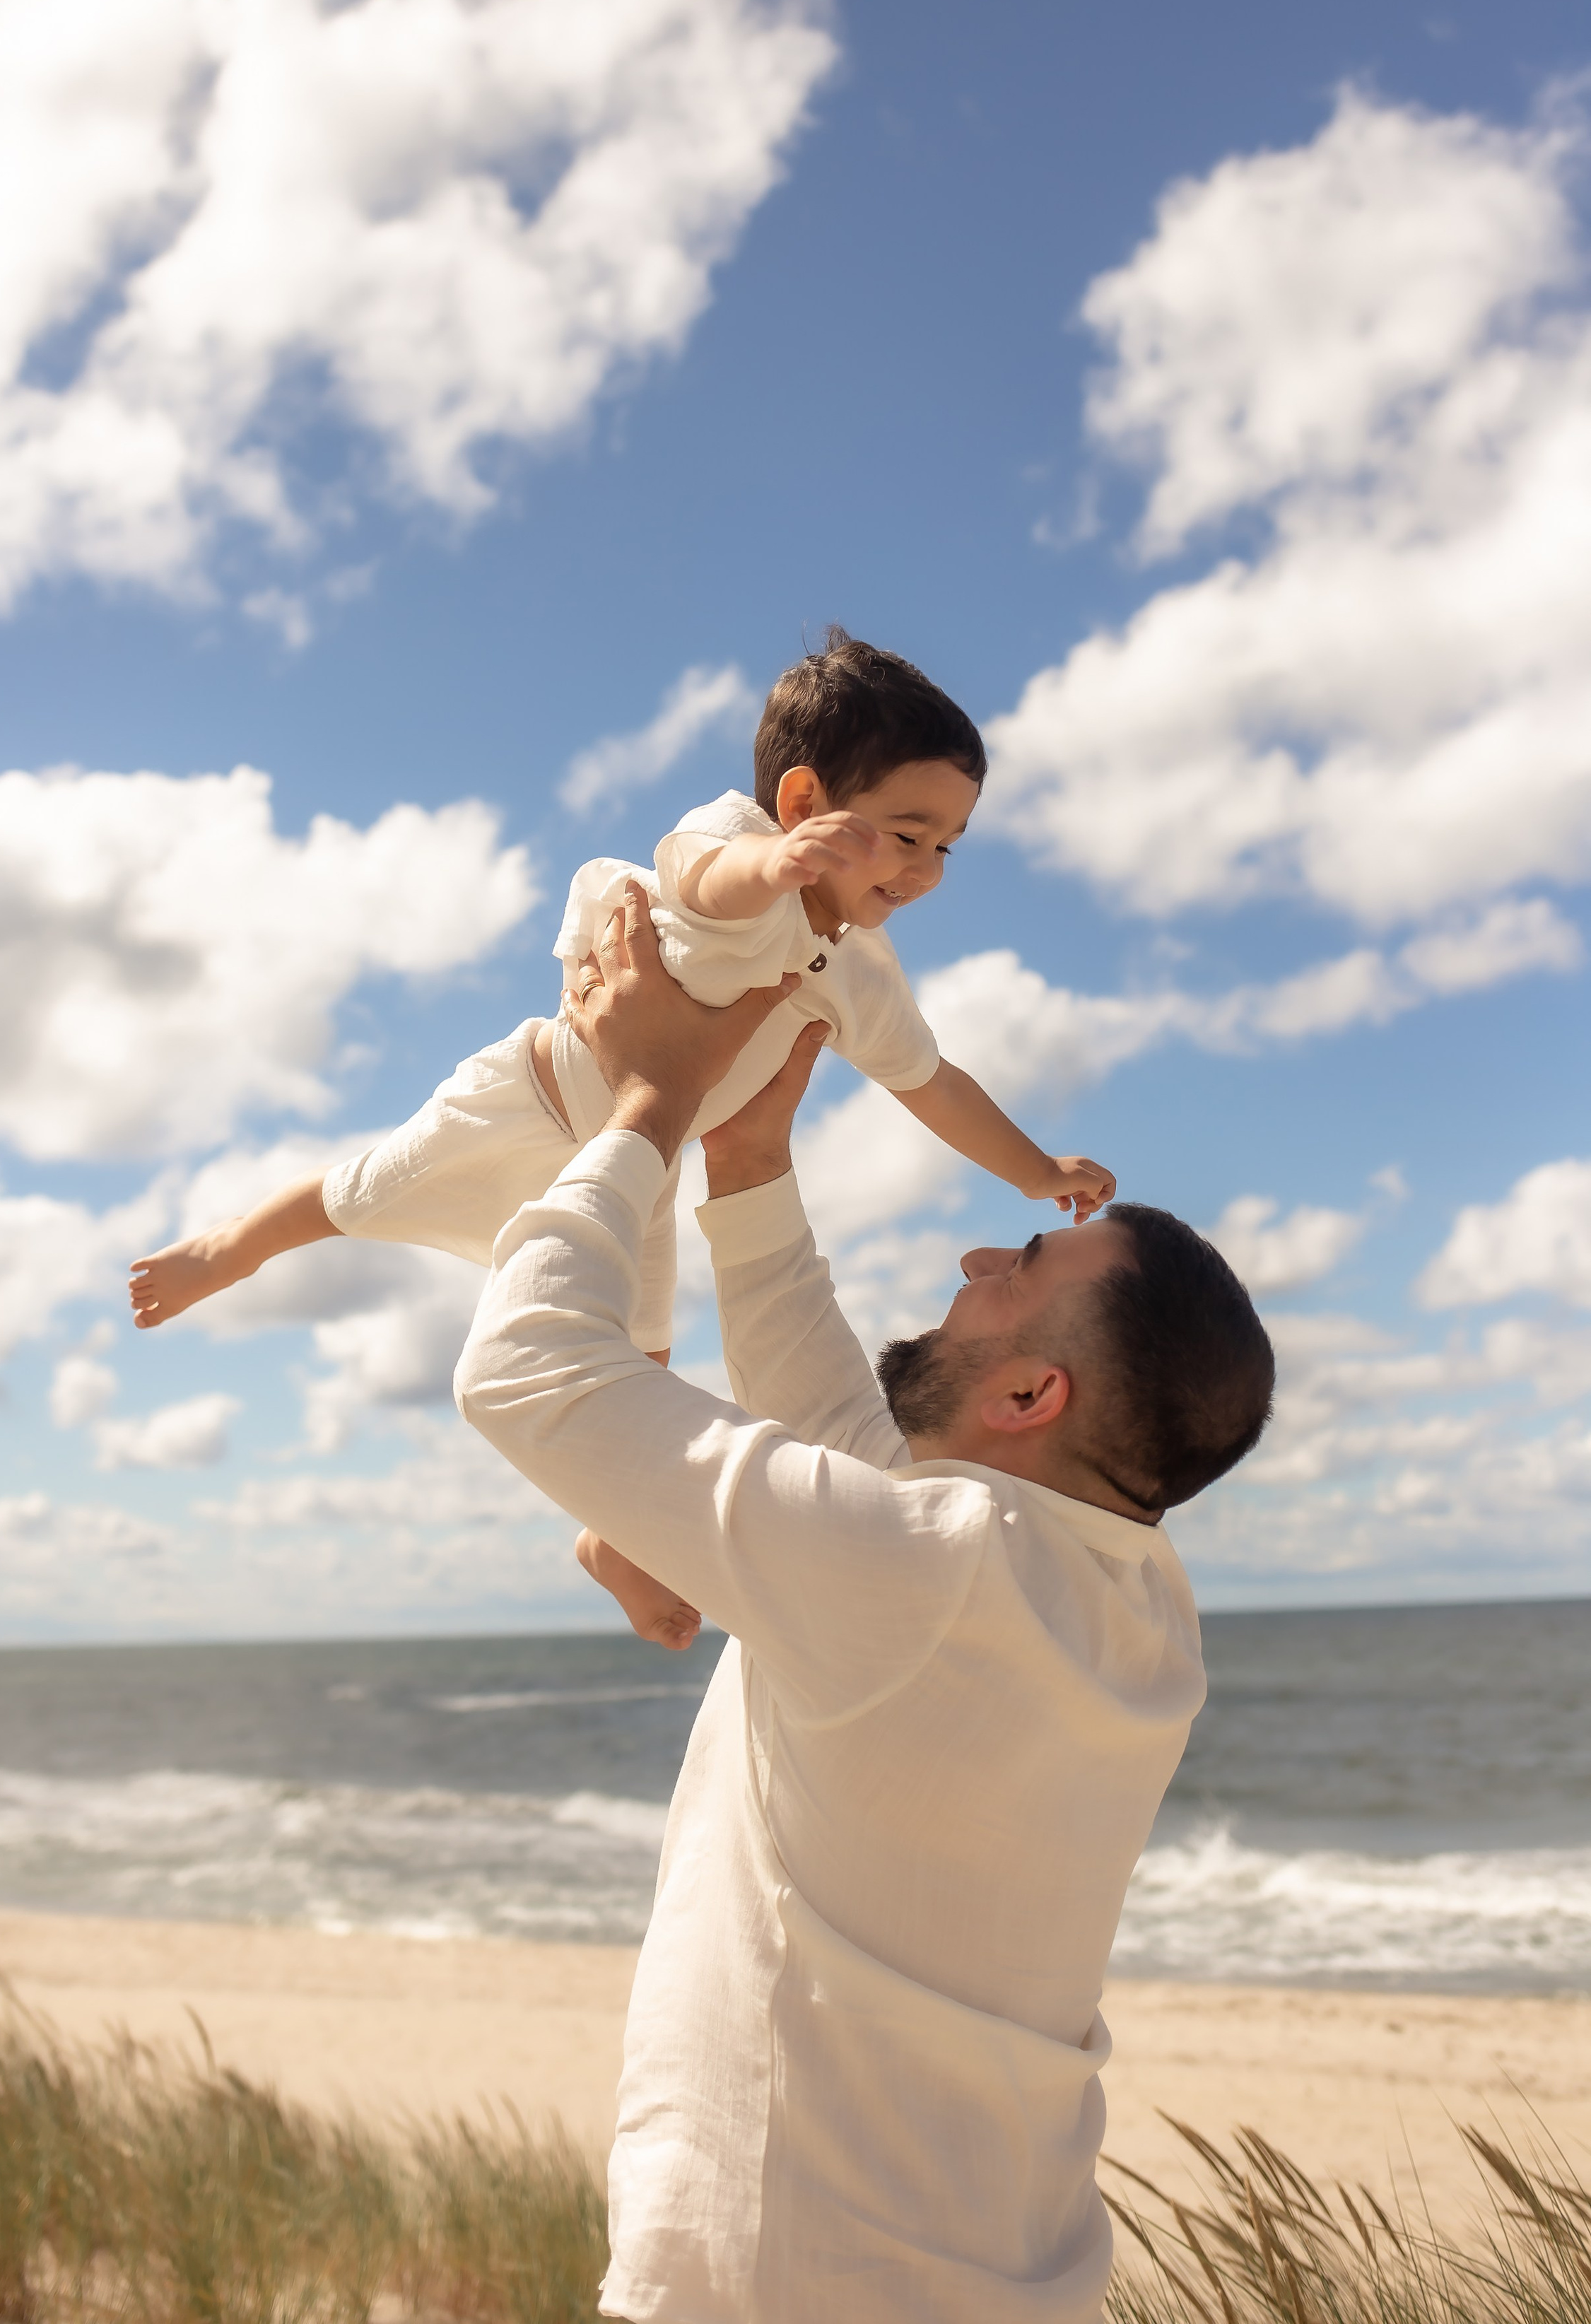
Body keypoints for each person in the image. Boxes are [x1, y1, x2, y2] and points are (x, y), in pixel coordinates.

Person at [454, 879, 1275, 2324]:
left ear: (1031, 1393)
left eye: (1017, 1267)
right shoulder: (1136, 1605)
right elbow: (856, 1462)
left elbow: (525, 1371)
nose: (972, 1258)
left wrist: (647, 1102)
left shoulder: (924, 1570)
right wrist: (751, 1155)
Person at [128, 630, 1114, 1648]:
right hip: (534, 1099)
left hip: (641, 1166)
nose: (924, 871)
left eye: (946, 845)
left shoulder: (857, 970)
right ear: (804, 803)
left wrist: (1037, 1169)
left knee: (635, 1360)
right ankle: (227, 1249)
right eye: (907, 834)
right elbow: (705, 883)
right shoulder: (733, 848)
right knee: (365, 1190)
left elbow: (932, 1084)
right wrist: (777, 865)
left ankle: (611, 1542)